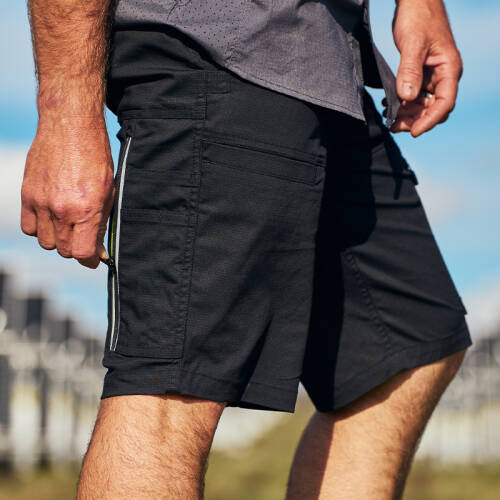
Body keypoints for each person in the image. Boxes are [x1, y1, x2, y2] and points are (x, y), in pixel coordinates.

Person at [21, 0, 471, 498]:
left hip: (324, 54)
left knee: (403, 352)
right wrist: (65, 113)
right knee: (171, 392)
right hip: (214, 48)